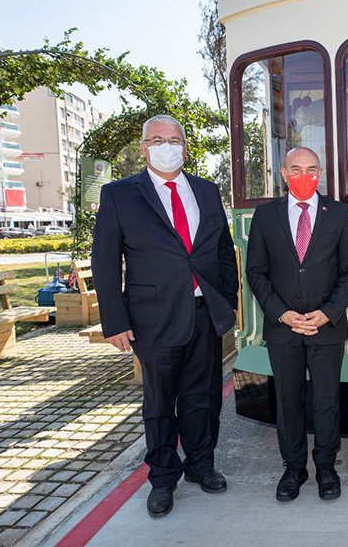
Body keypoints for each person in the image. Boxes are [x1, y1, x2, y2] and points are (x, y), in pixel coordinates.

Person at [92, 115, 239, 518]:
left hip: (203, 313)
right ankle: (162, 478)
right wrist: (115, 320)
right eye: (157, 139)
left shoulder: (207, 191)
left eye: (175, 139)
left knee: (203, 397)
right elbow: (105, 263)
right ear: (144, 147)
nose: (167, 145)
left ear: (185, 147)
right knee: (160, 403)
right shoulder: (120, 194)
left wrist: (227, 298)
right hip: (151, 319)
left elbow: (223, 251)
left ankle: (201, 465)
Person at [246, 147, 348, 503]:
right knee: (288, 403)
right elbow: (256, 272)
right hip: (283, 328)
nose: (304, 175)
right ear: (283, 173)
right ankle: (293, 469)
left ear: (320, 172)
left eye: (311, 169)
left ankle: (327, 467)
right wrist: (281, 313)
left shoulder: (339, 214)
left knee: (326, 402)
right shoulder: (265, 216)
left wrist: (328, 312)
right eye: (296, 169)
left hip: (326, 327)